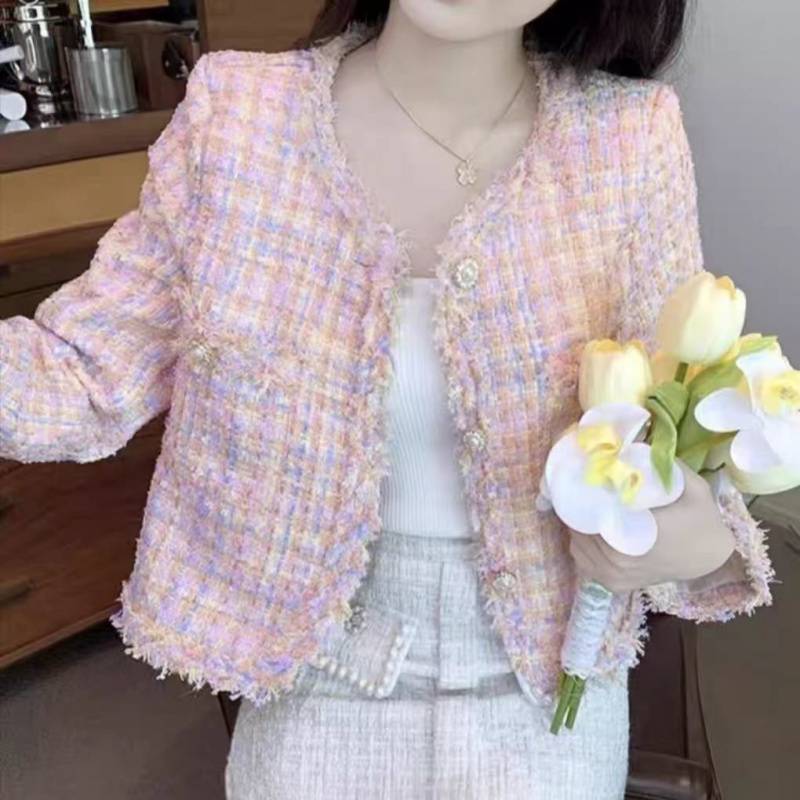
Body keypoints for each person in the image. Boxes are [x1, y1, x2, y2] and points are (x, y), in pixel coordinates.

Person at [0, 1, 775, 798]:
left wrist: (694, 534)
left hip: (545, 688)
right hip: (312, 674)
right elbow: (81, 368)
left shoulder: (629, 139)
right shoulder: (239, 118)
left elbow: (678, 411)